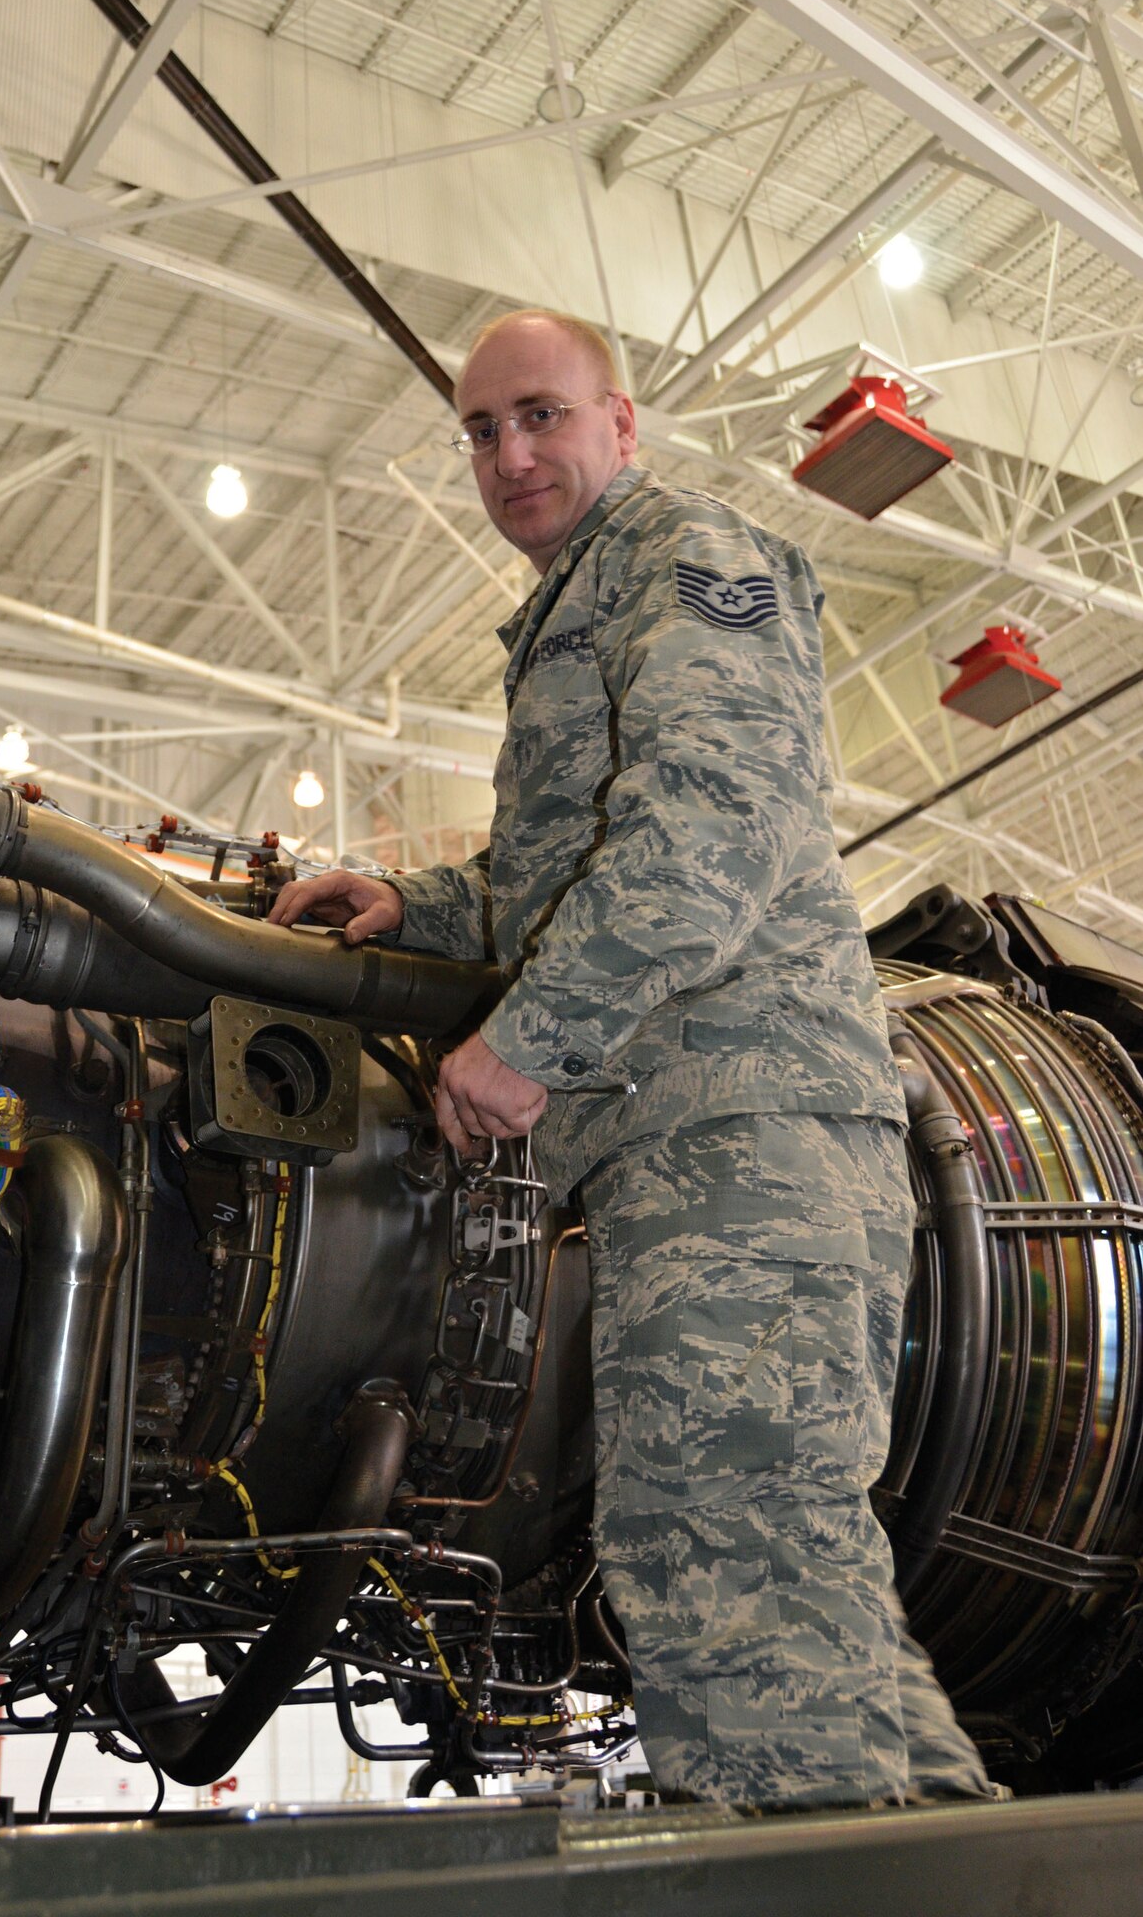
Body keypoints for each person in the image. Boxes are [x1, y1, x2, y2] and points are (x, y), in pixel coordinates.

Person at [267, 309, 993, 1812]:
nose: (510, 454)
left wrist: (525, 1044)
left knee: (714, 1536)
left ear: (620, 422)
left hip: (748, 1127)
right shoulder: (578, 607)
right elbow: (570, 870)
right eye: (480, 431)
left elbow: (707, 835)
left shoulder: (687, 560)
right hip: (703, 1134)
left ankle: (821, 1885)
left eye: (539, 415)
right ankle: (942, 1865)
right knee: (777, 1556)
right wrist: (423, 904)